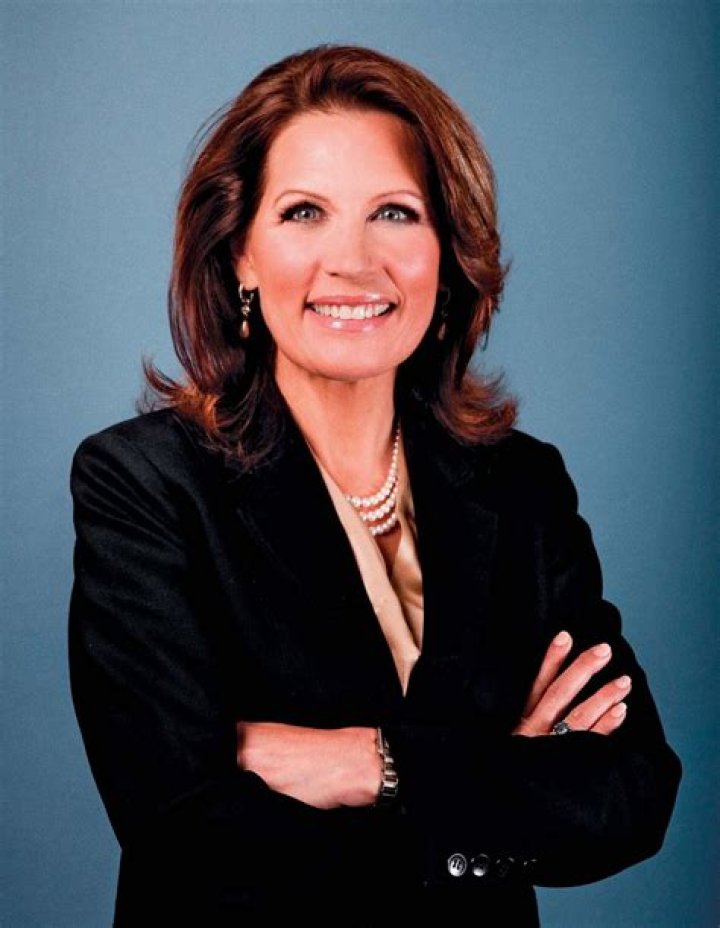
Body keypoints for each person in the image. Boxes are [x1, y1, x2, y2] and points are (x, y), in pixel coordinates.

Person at [68, 44, 681, 927]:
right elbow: (186, 833)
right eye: (304, 213)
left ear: (448, 252)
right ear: (239, 256)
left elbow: (630, 793)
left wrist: (371, 764)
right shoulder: (144, 483)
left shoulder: (521, 484)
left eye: (394, 213)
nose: (352, 262)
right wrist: (496, 776)